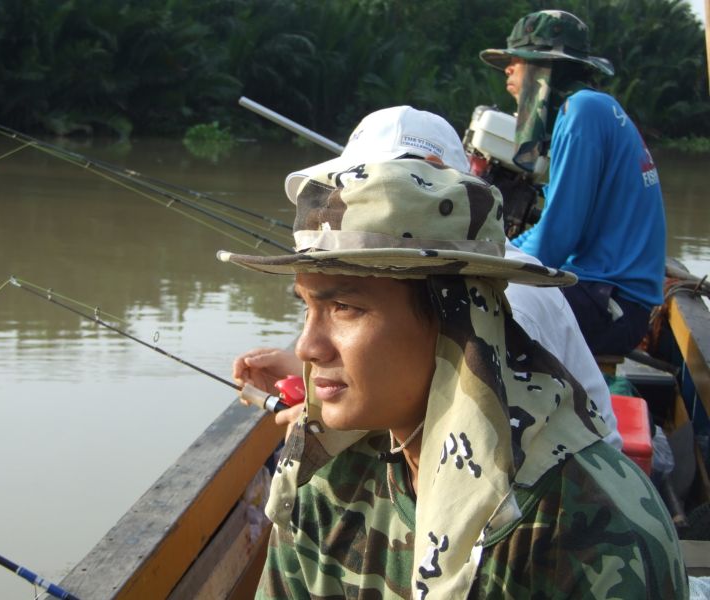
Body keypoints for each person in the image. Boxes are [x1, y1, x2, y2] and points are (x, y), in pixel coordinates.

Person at [219, 158, 686, 598]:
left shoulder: (590, 522)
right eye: (308, 306)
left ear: (456, 322)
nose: (305, 347)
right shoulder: (328, 481)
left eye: (345, 307)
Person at [235, 105, 622, 450]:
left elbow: (484, 443)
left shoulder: (501, 297)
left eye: (372, 190)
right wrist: (315, 377)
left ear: (435, 179)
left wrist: (323, 426)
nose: (346, 208)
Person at [480, 10, 666, 357]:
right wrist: (496, 247)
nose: (508, 69)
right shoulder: (593, 109)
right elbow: (557, 231)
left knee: (470, 310)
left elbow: (555, 241)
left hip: (609, 304)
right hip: (604, 295)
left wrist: (484, 256)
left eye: (518, 61)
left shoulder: (581, 113)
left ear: (545, 68)